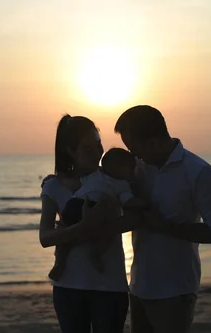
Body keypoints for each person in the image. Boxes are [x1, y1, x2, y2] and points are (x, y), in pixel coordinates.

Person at [84, 105, 211, 333]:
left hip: (175, 289)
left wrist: (164, 227)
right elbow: (103, 179)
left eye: (135, 149)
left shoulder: (200, 173)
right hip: (139, 285)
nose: (132, 156)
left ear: (152, 142)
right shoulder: (138, 168)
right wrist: (63, 178)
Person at [39, 114, 139, 333]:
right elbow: (45, 237)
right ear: (70, 151)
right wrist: (82, 228)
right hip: (68, 287)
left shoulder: (113, 179)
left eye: (98, 145)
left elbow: (135, 217)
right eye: (87, 149)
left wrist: (94, 229)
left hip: (110, 285)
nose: (97, 153)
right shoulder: (54, 186)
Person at [48, 147, 147, 280]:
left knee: (66, 235)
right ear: (119, 169)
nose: (133, 172)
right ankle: (96, 253)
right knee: (106, 236)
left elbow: (73, 183)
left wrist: (58, 178)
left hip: (73, 205)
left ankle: (60, 262)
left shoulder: (95, 174)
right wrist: (144, 203)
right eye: (131, 169)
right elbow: (128, 202)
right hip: (93, 208)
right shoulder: (122, 185)